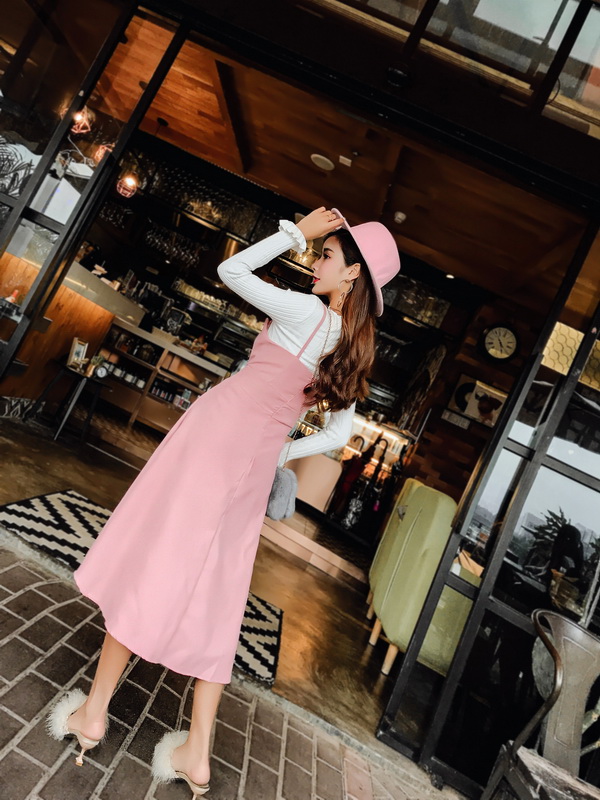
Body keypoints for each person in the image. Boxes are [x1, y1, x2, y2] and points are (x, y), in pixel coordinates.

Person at [45, 207, 400, 797]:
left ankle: (94, 714)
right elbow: (338, 434)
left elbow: (231, 270)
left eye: (327, 255)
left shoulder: (307, 312)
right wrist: (280, 450)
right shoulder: (349, 345)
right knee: (220, 593)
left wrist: (296, 233)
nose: (315, 262)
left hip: (212, 442)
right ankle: (198, 754)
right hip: (251, 469)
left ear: (353, 275)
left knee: (157, 559)